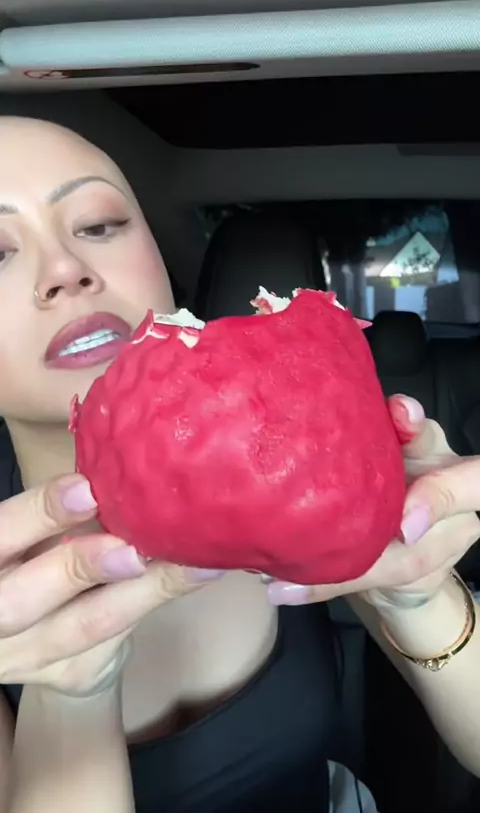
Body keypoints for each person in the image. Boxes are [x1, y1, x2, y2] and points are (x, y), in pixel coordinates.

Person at [0, 115, 479, 813]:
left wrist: (422, 597)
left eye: (99, 225)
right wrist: (68, 694)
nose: (66, 270)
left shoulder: (287, 444)